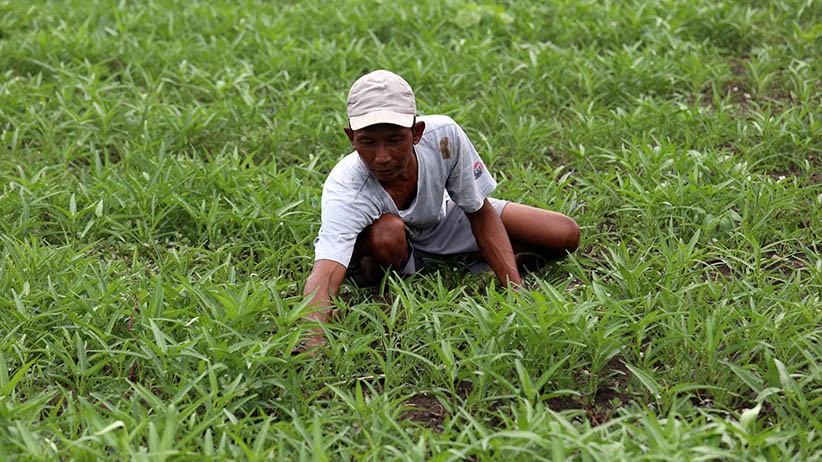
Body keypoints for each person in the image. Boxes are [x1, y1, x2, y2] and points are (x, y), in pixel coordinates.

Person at [300, 70, 580, 350]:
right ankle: (386, 293)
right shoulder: (347, 187)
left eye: (395, 140)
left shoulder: (443, 137)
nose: (382, 157)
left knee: (563, 233)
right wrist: (313, 342)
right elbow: (325, 271)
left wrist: (514, 293)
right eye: (367, 142)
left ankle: (471, 267)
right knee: (387, 233)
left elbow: (478, 211)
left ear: (416, 133)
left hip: (441, 221)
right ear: (351, 137)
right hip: (387, 253)